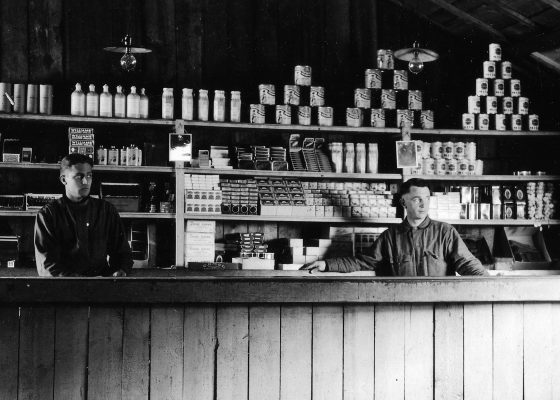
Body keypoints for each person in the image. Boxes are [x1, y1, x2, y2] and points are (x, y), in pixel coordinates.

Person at [302, 178, 488, 276]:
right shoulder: (390, 237)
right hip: (402, 307)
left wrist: (490, 283)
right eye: (417, 199)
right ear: (403, 202)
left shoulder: (445, 232)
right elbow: (362, 261)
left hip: (438, 306)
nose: (423, 204)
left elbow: (467, 263)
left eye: (427, 199)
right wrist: (326, 264)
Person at [35, 153, 133, 277]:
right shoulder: (48, 214)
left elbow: (122, 253)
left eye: (89, 175)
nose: (86, 181)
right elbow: (47, 265)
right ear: (63, 179)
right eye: (79, 177)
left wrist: (121, 271)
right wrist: (80, 282)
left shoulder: (106, 210)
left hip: (102, 287)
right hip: (65, 289)